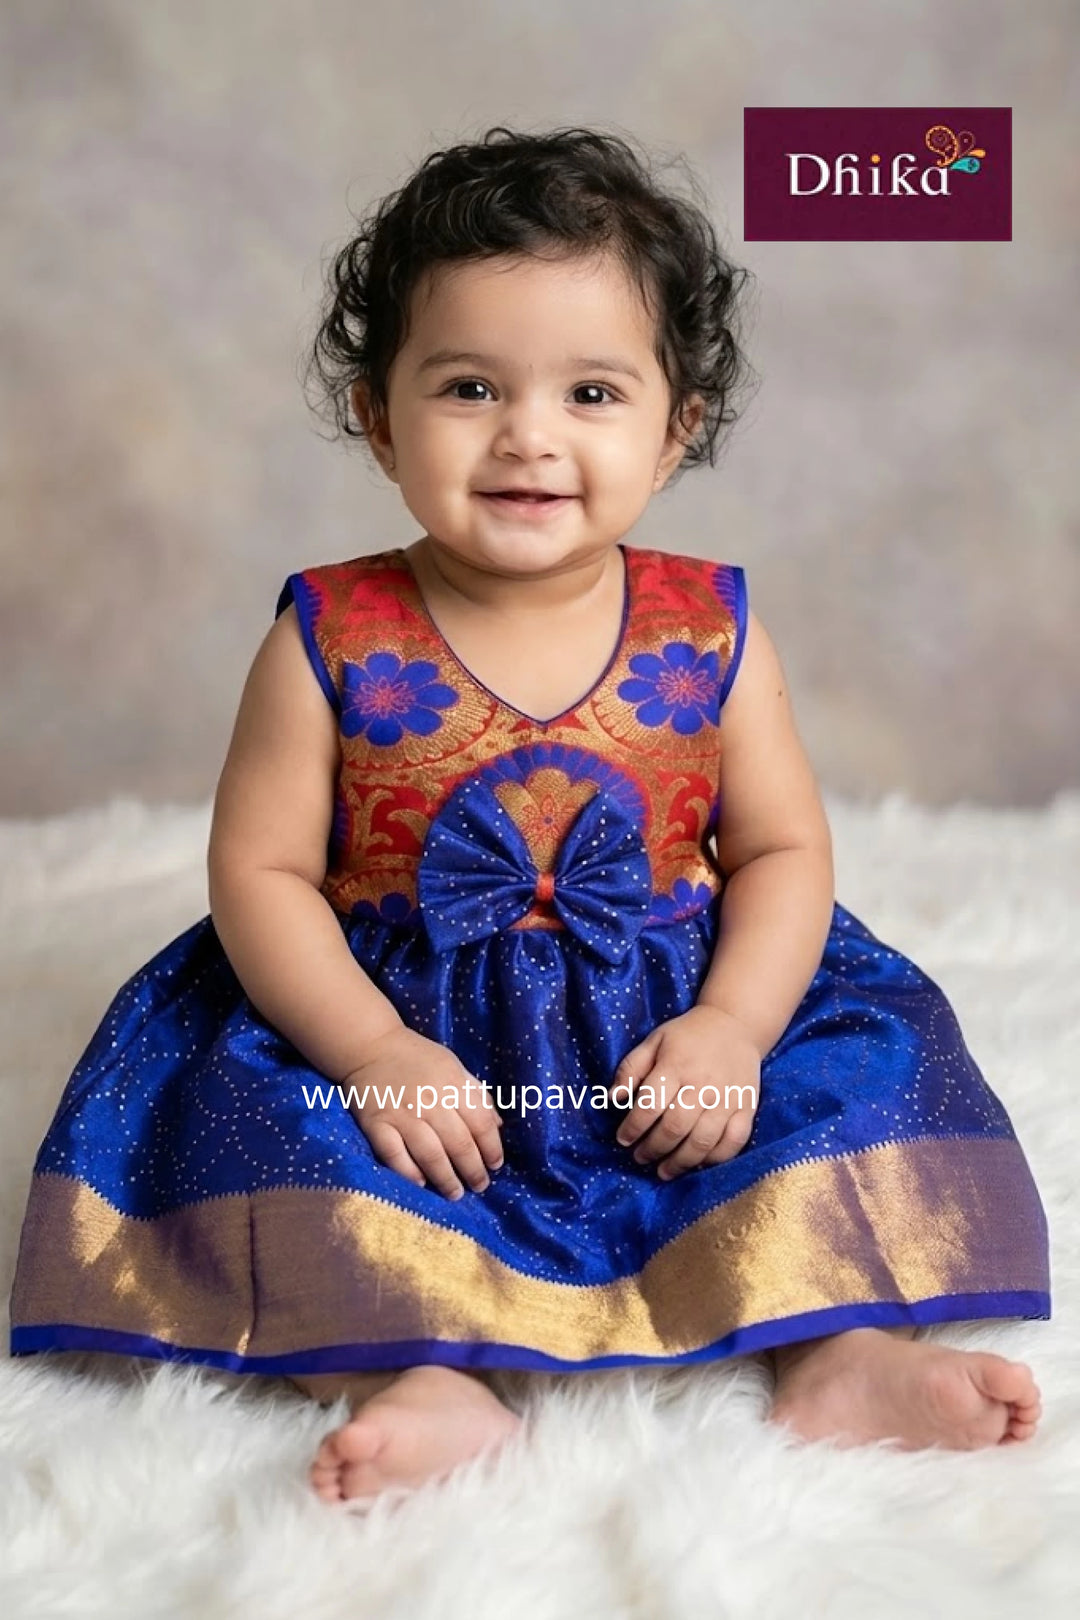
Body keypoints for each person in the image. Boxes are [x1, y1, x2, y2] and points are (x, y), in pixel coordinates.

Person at [9, 125, 1049, 1505]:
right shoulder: (329, 633)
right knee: (257, 1112)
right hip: (413, 1047)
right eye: (470, 386)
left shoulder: (712, 631)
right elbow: (259, 871)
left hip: (666, 1041)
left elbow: (786, 849)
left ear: (678, 428)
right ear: (383, 418)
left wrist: (733, 1028)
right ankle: (413, 1370)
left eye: (593, 392)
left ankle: (837, 1347)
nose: (529, 435)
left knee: (856, 1068)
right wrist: (373, 1048)